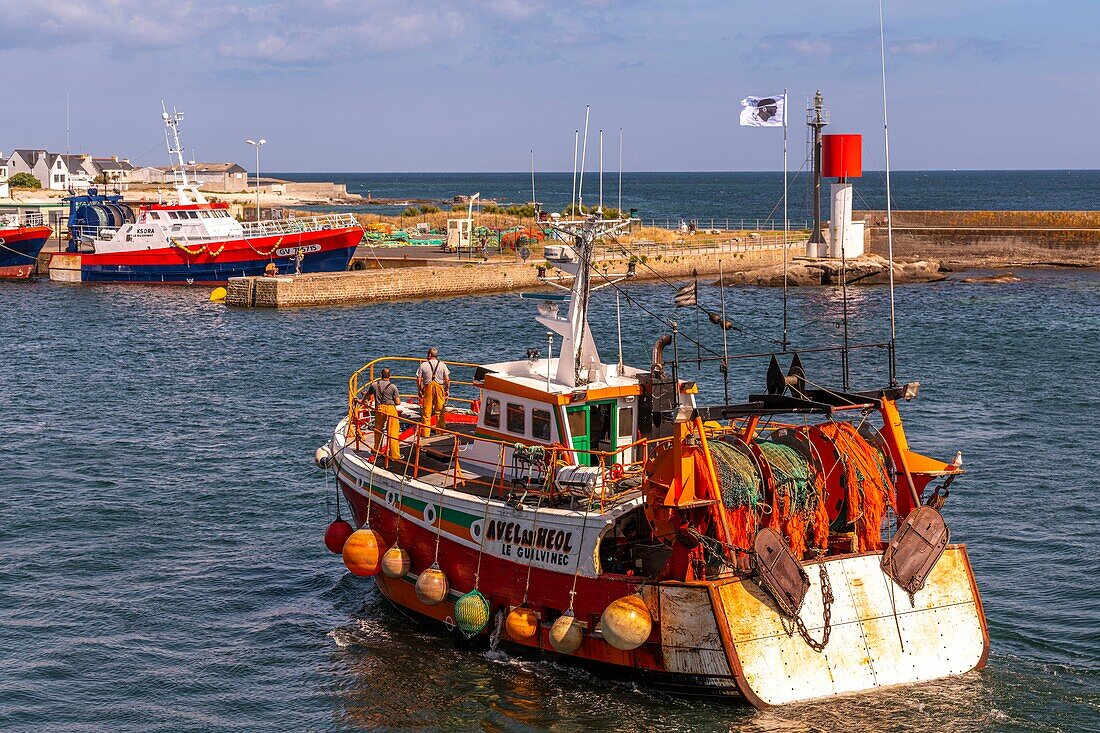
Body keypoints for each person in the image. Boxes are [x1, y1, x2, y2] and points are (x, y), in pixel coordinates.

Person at [367, 367, 402, 461]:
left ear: (380, 375)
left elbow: (366, 396)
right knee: (393, 432)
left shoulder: (374, 385)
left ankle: (377, 451)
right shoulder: (393, 386)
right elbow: (398, 402)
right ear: (389, 376)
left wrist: (360, 401)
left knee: (378, 430)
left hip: (379, 409)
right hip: (390, 409)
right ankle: (394, 455)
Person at [417, 347, 450, 438]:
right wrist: (447, 389)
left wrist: (419, 389)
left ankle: (425, 432)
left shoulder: (423, 365)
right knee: (440, 410)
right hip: (439, 387)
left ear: (429, 355)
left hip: (428, 387)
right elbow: (447, 379)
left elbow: (419, 379)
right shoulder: (442, 365)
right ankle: (440, 431)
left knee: (427, 412)